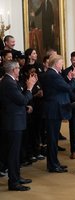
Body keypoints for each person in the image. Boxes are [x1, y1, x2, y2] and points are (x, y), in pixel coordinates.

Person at [0, 61, 37, 191]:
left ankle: (16, 177)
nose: (19, 70)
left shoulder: (10, 81)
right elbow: (22, 99)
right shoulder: (8, 83)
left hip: (15, 120)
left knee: (15, 153)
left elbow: (15, 101)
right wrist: (30, 87)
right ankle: (14, 182)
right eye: (18, 68)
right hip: (12, 123)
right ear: (14, 70)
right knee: (13, 154)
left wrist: (25, 106)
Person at [40, 55, 75, 173]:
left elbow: (60, 87)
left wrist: (67, 78)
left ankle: (55, 163)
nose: (62, 65)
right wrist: (74, 79)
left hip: (53, 110)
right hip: (53, 111)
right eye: (61, 63)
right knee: (52, 139)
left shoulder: (53, 74)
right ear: (56, 63)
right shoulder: (52, 75)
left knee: (54, 139)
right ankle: (52, 165)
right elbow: (67, 88)